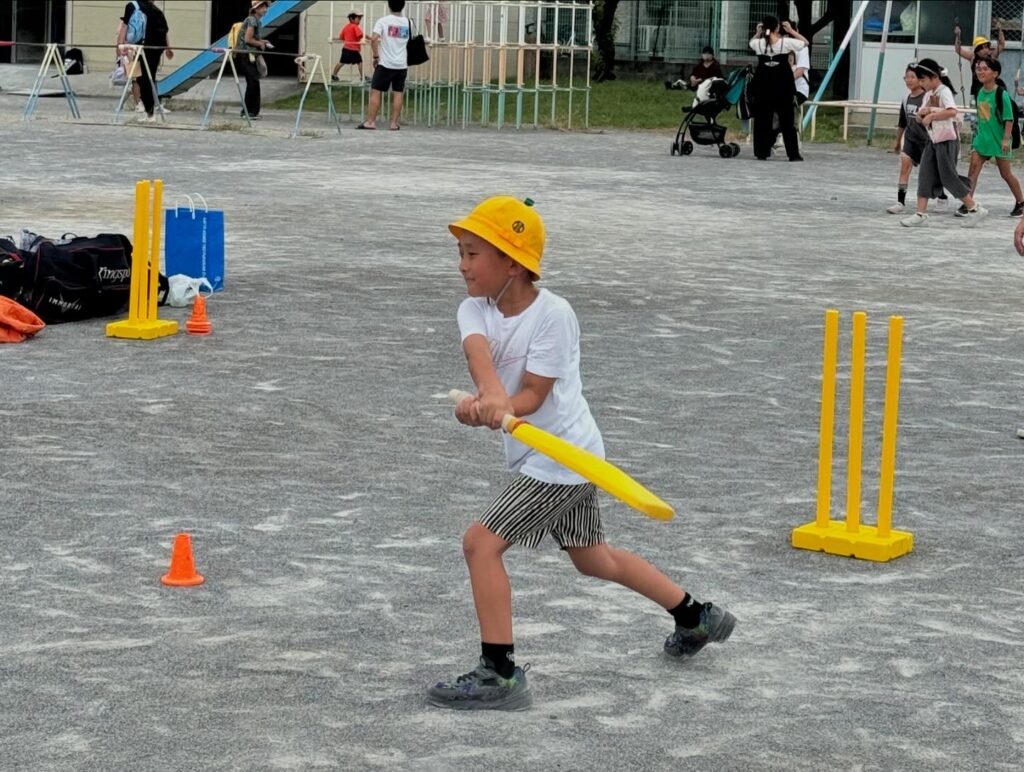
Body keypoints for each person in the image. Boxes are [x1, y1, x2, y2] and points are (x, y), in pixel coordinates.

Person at [426, 195, 736, 711]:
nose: (462, 266)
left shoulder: (555, 315)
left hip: (563, 456)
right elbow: (481, 360)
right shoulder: (472, 309)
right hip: (545, 453)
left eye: (473, 254)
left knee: (480, 544)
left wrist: (499, 405)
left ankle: (499, 673)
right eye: (461, 252)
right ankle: (694, 615)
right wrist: (480, 404)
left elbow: (531, 397)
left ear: (513, 262)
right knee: (595, 559)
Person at [899, 59, 987, 228]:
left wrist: (932, 115)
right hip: (933, 139)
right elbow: (919, 117)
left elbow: (952, 111)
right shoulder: (929, 94)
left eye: (923, 80)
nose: (921, 83)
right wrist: (922, 114)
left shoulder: (944, 91)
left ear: (933, 77)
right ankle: (920, 212)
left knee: (948, 176)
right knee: (925, 173)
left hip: (947, 140)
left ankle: (974, 208)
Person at [964, 57, 1024, 217]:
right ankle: (968, 203)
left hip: (999, 141)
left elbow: (1009, 118)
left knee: (1006, 174)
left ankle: (1021, 202)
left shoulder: (1001, 94)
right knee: (973, 171)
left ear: (995, 73)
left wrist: (1005, 139)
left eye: (985, 69)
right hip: (983, 140)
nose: (980, 71)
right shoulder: (979, 92)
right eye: (978, 68)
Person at [887, 63, 950, 215]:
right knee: (905, 167)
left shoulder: (928, 97)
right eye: (906, 77)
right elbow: (903, 121)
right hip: (911, 139)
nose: (909, 80)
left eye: (912, 77)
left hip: (927, 140)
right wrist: (898, 141)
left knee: (931, 172)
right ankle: (900, 202)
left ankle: (942, 196)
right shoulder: (905, 98)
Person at [749, 16, 805, 161]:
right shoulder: (785, 43)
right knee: (787, 120)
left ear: (763, 28)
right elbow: (804, 43)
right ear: (777, 28)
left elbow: (751, 43)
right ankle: (793, 154)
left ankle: (761, 152)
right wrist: (791, 31)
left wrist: (758, 32)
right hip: (782, 86)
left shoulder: (759, 43)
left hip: (762, 85)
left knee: (762, 119)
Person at [356, 0, 409, 131]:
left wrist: (375, 56)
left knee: (376, 90)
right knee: (398, 92)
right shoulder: (408, 22)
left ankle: (371, 121)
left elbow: (374, 38)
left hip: (385, 63)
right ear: (403, 6)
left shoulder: (383, 21)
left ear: (389, 5)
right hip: (401, 64)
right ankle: (393, 124)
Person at [119, 0, 172, 121]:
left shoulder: (132, 6)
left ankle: (150, 113)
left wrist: (120, 45)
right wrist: (168, 48)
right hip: (157, 48)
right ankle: (151, 111)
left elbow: (125, 26)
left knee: (141, 79)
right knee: (150, 78)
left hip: (142, 47)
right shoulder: (157, 11)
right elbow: (165, 31)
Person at [235, 0, 273, 120]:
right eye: (262, 7)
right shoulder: (251, 20)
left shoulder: (257, 21)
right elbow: (248, 39)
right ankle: (247, 112)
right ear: (255, 8)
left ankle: (252, 112)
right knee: (252, 82)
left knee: (253, 81)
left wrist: (263, 41)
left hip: (250, 54)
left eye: (266, 7)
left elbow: (254, 38)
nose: (265, 9)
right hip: (245, 54)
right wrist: (260, 44)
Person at [955, 21, 1006, 101]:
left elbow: (1001, 45)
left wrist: (1000, 30)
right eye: (983, 48)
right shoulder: (972, 57)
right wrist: (958, 36)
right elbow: (958, 49)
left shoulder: (991, 56)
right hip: (977, 90)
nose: (986, 50)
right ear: (977, 49)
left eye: (987, 47)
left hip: (990, 89)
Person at [332, 10, 365, 82]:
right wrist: (368, 38)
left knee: (341, 62)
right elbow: (360, 35)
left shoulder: (346, 27)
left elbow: (341, 37)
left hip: (346, 48)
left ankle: (334, 74)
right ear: (352, 19)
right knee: (359, 62)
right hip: (353, 49)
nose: (359, 20)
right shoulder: (355, 26)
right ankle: (362, 77)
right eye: (358, 18)